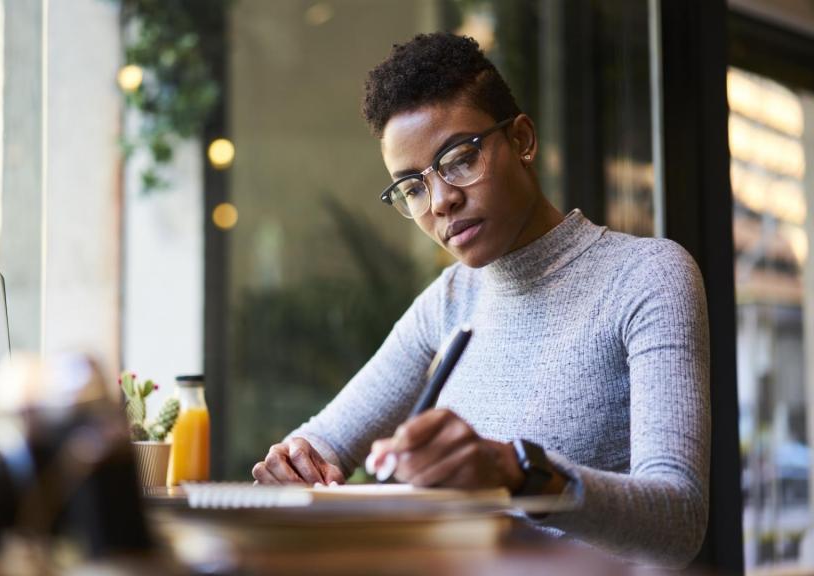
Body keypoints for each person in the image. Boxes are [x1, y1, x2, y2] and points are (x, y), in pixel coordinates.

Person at [250, 33, 710, 568]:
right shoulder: (447, 302)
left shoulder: (646, 276)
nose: (441, 200)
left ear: (522, 140)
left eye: (458, 159)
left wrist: (516, 473)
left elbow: (681, 518)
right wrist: (296, 461)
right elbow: (324, 441)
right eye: (412, 187)